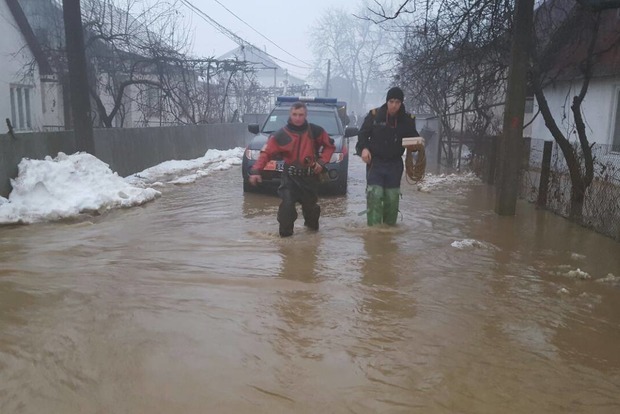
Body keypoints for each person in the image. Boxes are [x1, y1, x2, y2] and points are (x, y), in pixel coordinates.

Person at [248, 101, 336, 237]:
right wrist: (255, 171)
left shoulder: (316, 131)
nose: (297, 117)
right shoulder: (280, 135)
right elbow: (266, 154)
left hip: (309, 178)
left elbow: (330, 146)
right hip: (290, 178)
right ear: (290, 114)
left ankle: (312, 241)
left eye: (301, 114)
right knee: (287, 208)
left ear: (305, 115)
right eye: (295, 114)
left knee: (311, 212)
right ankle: (286, 246)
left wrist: (321, 162)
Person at [355, 87, 419, 226]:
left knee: (392, 198)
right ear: (387, 101)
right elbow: (362, 135)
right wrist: (364, 149)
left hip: (394, 164)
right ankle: (374, 233)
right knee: (375, 194)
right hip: (375, 163)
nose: (394, 105)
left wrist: (415, 145)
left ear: (401, 103)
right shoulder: (374, 115)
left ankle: (388, 233)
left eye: (397, 102)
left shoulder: (407, 120)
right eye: (391, 101)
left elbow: (414, 139)